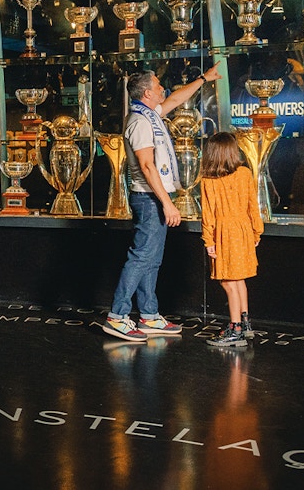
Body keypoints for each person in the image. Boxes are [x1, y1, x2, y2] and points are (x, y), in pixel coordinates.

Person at [103, 64, 223, 342]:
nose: (162, 89)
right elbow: (146, 166)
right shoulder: (139, 122)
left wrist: (204, 78)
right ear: (147, 93)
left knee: (151, 260)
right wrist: (167, 204)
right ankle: (117, 316)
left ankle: (148, 315)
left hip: (154, 197)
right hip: (148, 199)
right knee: (141, 257)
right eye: (158, 86)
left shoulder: (150, 114)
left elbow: (177, 99)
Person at [199, 131, 263, 348]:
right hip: (243, 228)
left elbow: (208, 214)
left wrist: (209, 241)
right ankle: (245, 324)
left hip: (225, 232)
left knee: (228, 281)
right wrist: (256, 231)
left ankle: (235, 328)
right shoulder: (244, 173)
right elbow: (253, 205)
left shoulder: (208, 180)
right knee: (239, 279)